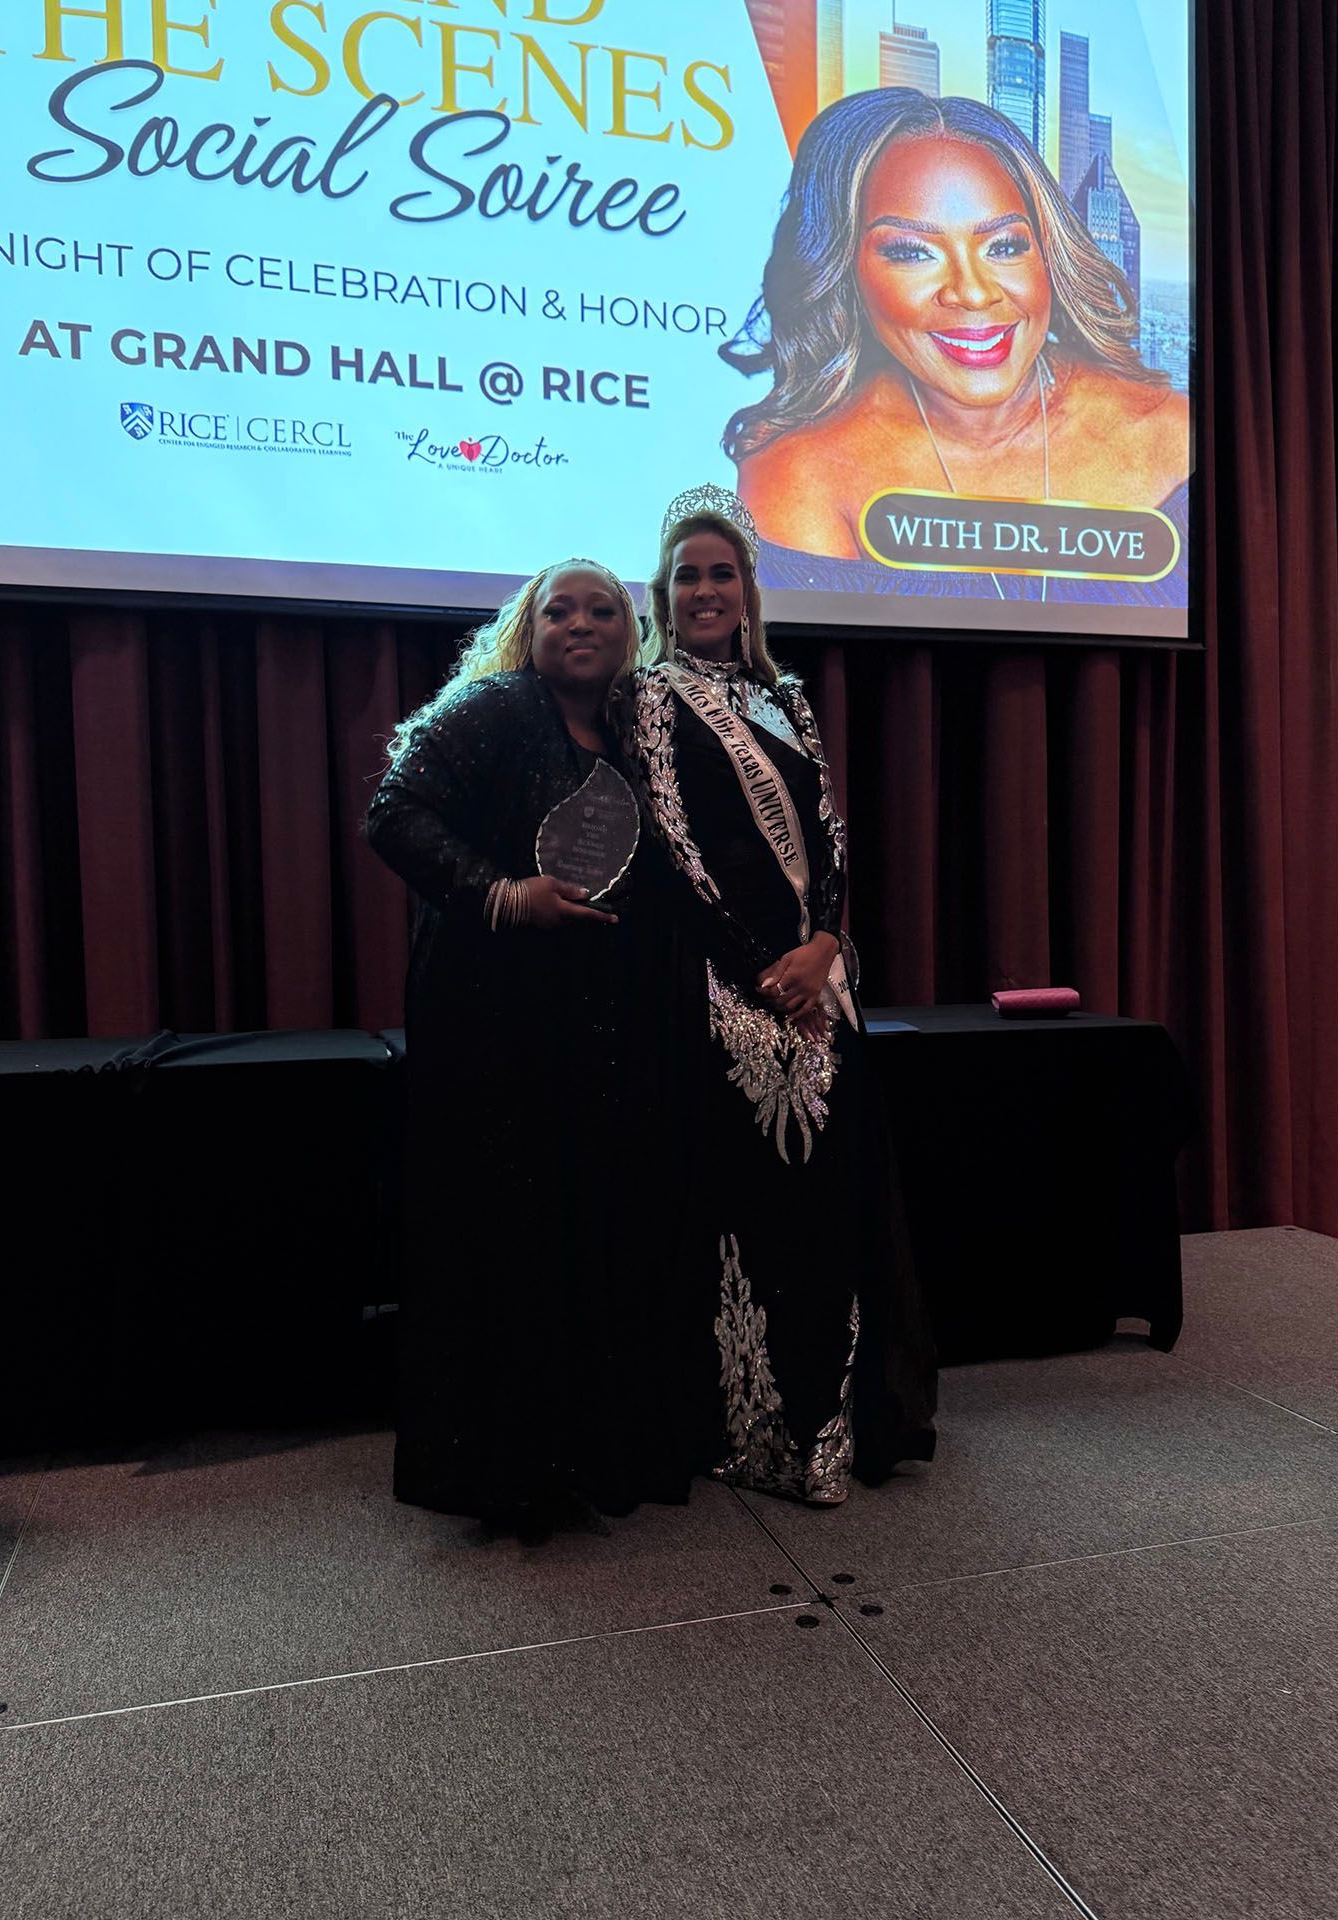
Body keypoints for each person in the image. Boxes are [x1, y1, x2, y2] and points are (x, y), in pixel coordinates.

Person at [365, 559, 701, 1534]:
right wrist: (504, 896)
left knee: (581, 1235)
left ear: (630, 634)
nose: (582, 624)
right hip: (494, 1020)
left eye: (604, 610)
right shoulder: (499, 708)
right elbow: (393, 814)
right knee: (505, 1239)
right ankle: (502, 1473)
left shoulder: (638, 735)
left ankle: (582, 1454)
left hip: (592, 1028)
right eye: (562, 609)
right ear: (530, 626)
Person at [619, 484, 937, 1504]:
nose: (705, 591)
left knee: (834, 1203)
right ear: (663, 598)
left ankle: (846, 1421)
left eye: (721, 573)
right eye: (686, 576)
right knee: (763, 1206)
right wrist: (770, 968)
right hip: (725, 993)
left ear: (748, 590)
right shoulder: (652, 698)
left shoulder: (785, 698)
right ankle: (762, 1430)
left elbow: (831, 842)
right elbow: (674, 848)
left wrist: (827, 944)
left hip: (816, 983)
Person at [722, 89, 1189, 606]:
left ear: (1050, 255)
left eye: (1005, 246)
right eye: (911, 252)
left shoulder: (1175, 435)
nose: (972, 291)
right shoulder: (801, 471)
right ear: (844, 270)